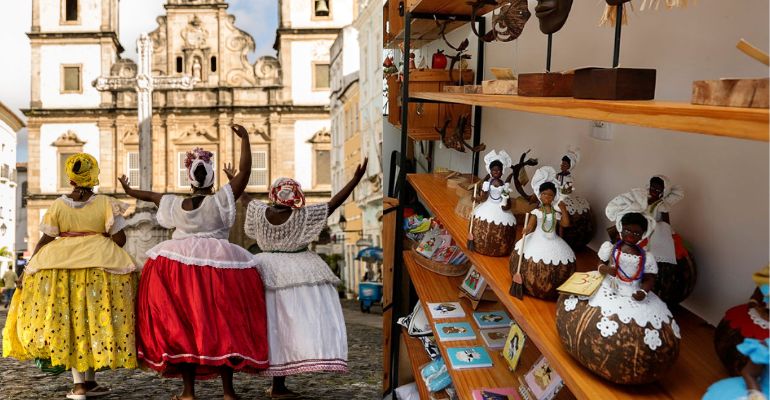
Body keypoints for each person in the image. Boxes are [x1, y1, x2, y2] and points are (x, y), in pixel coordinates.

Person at [119, 124, 267, 400]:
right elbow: (245, 174)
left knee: (184, 325)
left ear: (190, 180)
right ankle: (228, 391)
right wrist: (246, 139)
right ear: (211, 180)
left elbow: (148, 196)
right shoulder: (221, 200)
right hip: (220, 267)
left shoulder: (174, 204)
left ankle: (188, 392)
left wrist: (129, 189)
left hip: (176, 268)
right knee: (224, 323)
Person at [2, 153, 138, 400]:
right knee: (92, 322)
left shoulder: (58, 205)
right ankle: (90, 381)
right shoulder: (106, 203)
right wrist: (98, 235)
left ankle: (80, 385)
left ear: (71, 178)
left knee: (71, 323)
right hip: (100, 267)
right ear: (94, 175)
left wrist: (29, 265)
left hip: (60, 268)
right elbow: (120, 239)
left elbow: (45, 239)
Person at [239, 157, 368, 398]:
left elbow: (244, 197)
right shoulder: (304, 216)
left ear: (273, 195)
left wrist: (231, 178)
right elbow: (334, 203)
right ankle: (283, 380)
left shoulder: (258, 211)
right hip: (298, 271)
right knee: (293, 324)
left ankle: (275, 382)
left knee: (270, 325)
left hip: (263, 270)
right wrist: (354, 181)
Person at [511, 166, 575, 299]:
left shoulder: (555, 212)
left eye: (550, 195)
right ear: (540, 195)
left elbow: (565, 224)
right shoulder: (537, 212)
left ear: (553, 197)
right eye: (544, 194)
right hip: (537, 238)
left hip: (553, 240)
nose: (547, 197)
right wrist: (526, 230)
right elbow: (530, 226)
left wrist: (563, 209)